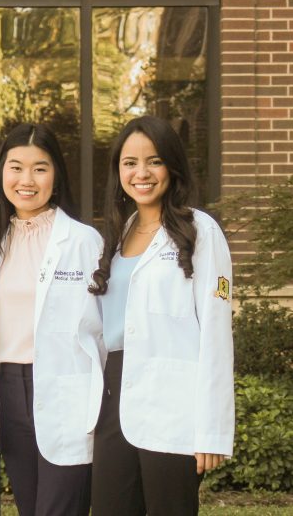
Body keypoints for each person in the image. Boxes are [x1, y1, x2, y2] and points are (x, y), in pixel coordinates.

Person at [88, 115, 234, 516]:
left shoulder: (200, 231)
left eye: (154, 161)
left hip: (174, 404)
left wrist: (212, 429)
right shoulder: (118, 234)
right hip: (114, 398)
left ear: (172, 165)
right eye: (129, 163)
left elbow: (216, 332)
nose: (141, 173)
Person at [0, 123, 104, 516]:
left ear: (56, 175)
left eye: (40, 168)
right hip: (8, 390)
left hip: (65, 390)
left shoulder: (83, 241)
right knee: (29, 506)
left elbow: (102, 329)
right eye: (16, 167)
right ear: (1, 173)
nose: (26, 180)